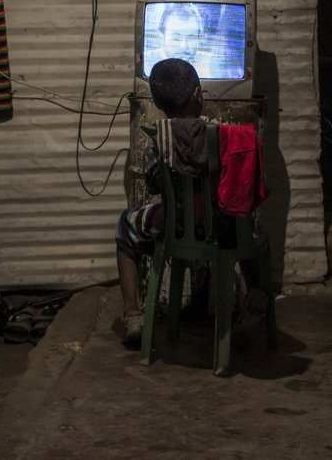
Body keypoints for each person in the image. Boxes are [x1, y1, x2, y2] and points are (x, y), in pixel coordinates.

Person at [115, 58, 268, 347]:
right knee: (247, 224)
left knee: (126, 224)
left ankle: (133, 315)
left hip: (177, 228)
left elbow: (153, 185)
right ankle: (256, 297)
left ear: (160, 105)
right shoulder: (227, 136)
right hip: (227, 230)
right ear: (198, 95)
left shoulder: (156, 141)